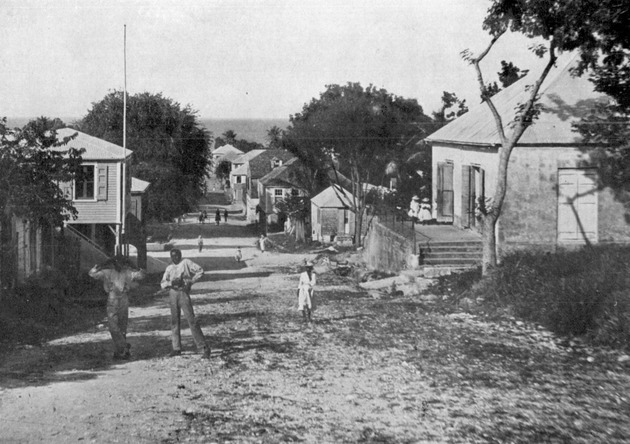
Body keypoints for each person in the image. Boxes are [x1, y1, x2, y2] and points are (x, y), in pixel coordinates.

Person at [89, 255, 146, 360]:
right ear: (114, 263)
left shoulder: (127, 273)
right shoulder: (108, 272)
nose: (120, 265)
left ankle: (121, 352)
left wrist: (135, 266)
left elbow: (141, 275)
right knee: (113, 327)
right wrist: (102, 265)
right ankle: (124, 346)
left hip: (123, 298)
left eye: (122, 263)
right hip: (112, 299)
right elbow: (92, 274)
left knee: (122, 326)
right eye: (117, 263)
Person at [160, 249, 211, 359]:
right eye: (173, 256)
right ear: (171, 257)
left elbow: (200, 271)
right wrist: (171, 283)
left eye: (177, 255)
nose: (176, 258)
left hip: (183, 292)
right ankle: (176, 347)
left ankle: (203, 347)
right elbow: (163, 283)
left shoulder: (186, 263)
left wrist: (190, 282)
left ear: (181, 255)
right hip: (173, 293)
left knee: (191, 320)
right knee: (174, 321)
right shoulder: (169, 268)